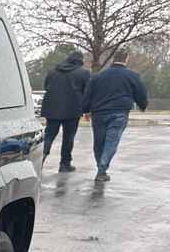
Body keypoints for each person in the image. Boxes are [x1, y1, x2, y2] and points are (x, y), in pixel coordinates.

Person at [81, 48, 148, 182]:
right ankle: (101, 170)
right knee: (111, 142)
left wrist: (86, 110)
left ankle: (101, 169)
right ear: (126, 59)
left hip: (99, 113)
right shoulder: (132, 76)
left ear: (113, 59)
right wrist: (142, 105)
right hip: (119, 113)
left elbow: (88, 94)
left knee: (98, 143)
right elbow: (141, 92)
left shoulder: (98, 76)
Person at [40, 50, 89, 172]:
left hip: (52, 108)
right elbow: (87, 91)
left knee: (49, 135)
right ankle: (65, 163)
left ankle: (41, 159)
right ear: (81, 60)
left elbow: (46, 87)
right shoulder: (83, 72)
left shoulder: (52, 71)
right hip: (72, 109)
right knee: (68, 137)